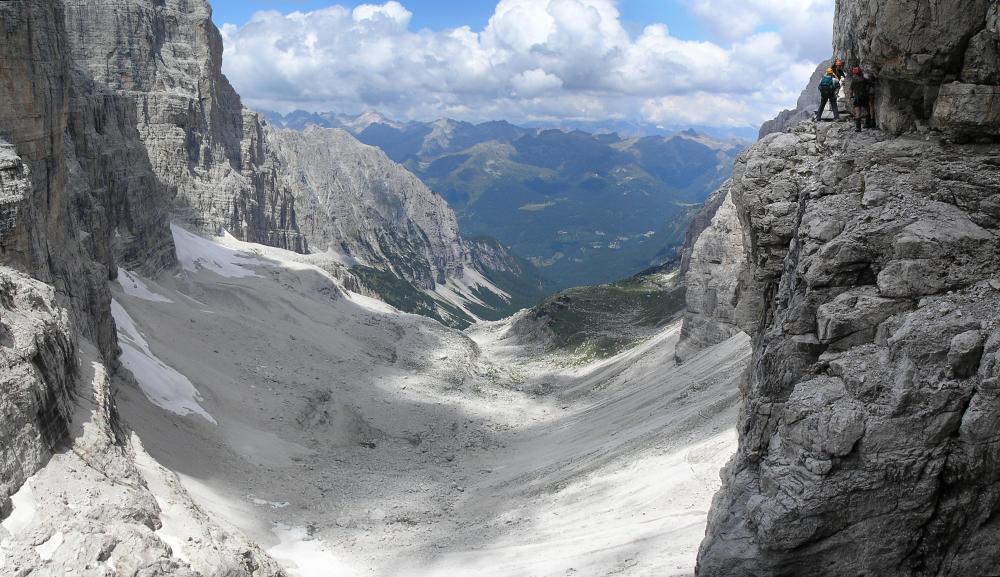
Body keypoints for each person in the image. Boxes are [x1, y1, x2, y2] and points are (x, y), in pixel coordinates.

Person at [850, 66, 871, 132]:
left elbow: (851, 90)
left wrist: (851, 96)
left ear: (855, 73)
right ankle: (867, 124)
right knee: (867, 110)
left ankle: (858, 128)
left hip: (857, 98)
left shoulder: (853, 81)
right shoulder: (864, 79)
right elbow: (871, 83)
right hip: (864, 97)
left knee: (858, 113)